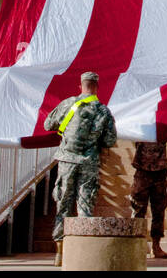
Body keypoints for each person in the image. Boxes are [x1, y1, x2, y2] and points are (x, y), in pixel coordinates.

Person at [43, 71, 117, 267]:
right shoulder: (103, 111)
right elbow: (110, 140)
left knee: (63, 205)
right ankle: (82, 253)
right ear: (97, 87)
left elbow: (48, 123)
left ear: (81, 85)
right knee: (85, 206)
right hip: (89, 162)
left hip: (67, 161)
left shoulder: (69, 104)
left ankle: (60, 253)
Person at [130, 142, 167, 258]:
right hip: (142, 170)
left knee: (158, 211)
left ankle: (156, 246)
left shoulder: (160, 127)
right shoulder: (139, 126)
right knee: (138, 210)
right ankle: (136, 245)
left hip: (160, 171)